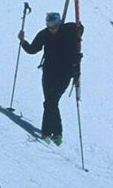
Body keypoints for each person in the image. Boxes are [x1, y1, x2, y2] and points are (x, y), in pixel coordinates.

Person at [18, 10, 83, 144]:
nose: (50, 28)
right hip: (48, 73)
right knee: (50, 102)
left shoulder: (68, 30)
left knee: (51, 102)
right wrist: (23, 41)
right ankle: (57, 134)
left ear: (59, 23)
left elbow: (80, 30)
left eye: (53, 24)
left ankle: (47, 133)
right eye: (48, 24)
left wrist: (79, 28)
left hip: (65, 73)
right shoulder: (44, 34)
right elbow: (32, 49)